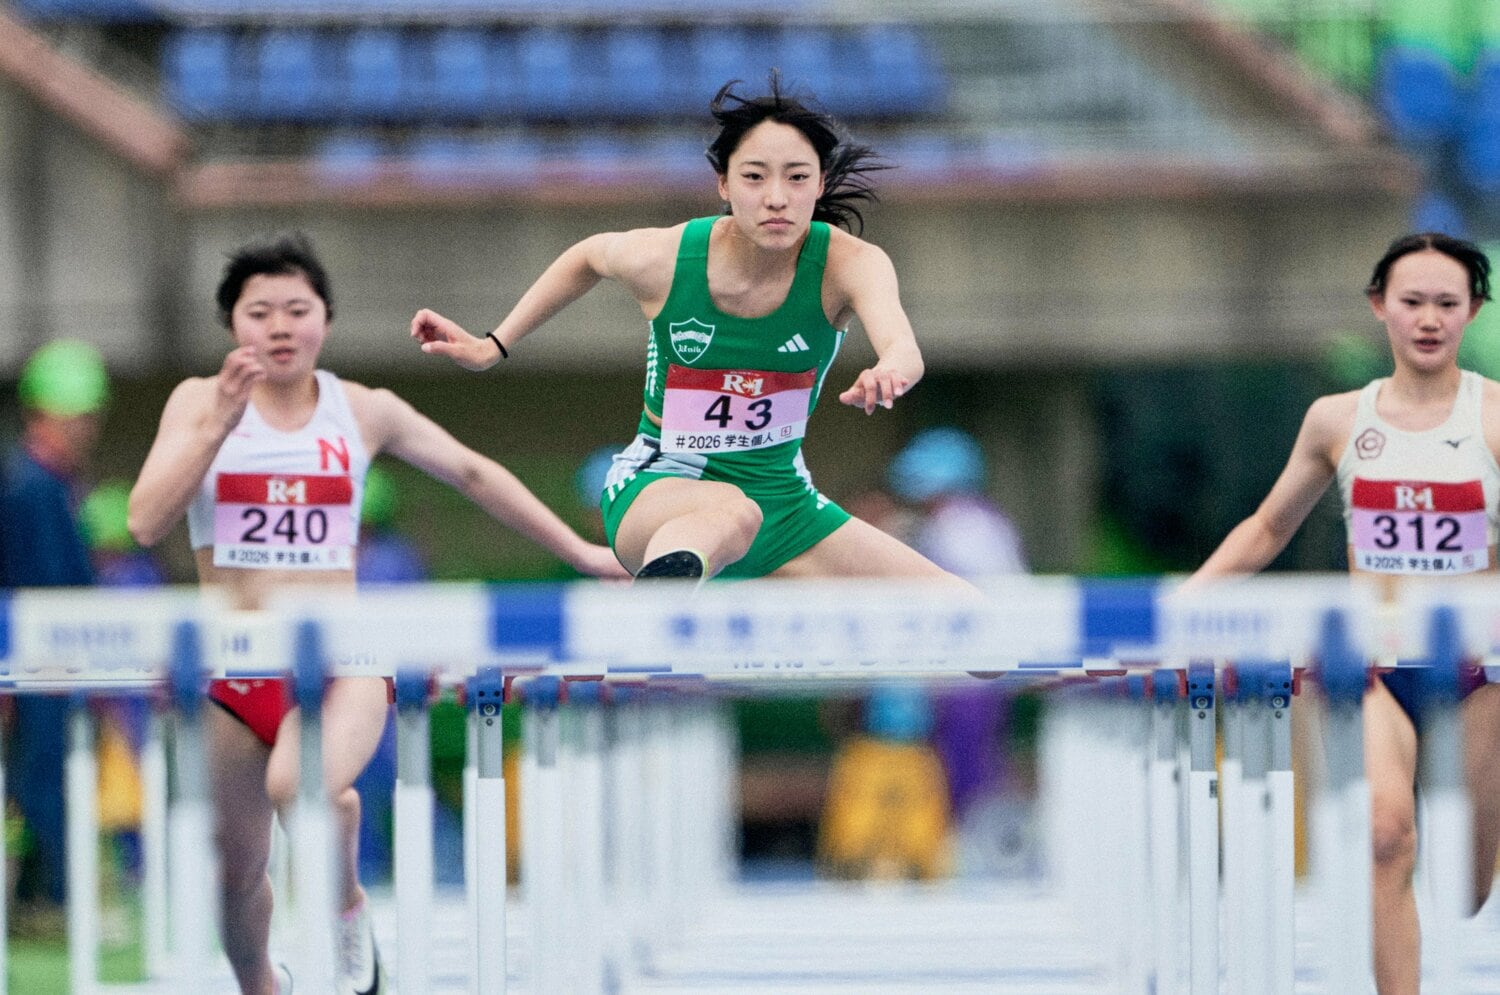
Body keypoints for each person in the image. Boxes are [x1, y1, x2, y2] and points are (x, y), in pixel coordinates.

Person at [128, 233, 625, 995]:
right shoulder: (198, 401)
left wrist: (583, 550)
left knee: (303, 785)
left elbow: (472, 472)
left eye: (299, 308)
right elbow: (144, 522)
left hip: (342, 657)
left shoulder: (362, 408)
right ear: (233, 325)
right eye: (260, 312)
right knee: (235, 868)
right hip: (235, 663)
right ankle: (263, 982)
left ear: (326, 318)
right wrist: (213, 428)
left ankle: (346, 904)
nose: (281, 326)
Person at [410, 73, 960, 586]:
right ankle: (659, 605)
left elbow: (903, 348)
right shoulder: (668, 258)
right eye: (754, 177)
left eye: (797, 178)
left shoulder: (850, 264)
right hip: (657, 493)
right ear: (723, 183)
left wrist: (889, 371)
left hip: (786, 506)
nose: (776, 198)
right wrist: (492, 345)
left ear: (818, 185)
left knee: (973, 625)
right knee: (730, 511)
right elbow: (588, 256)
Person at [1188, 232, 1497, 994]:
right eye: (1412, 301)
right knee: (1386, 836)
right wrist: (1183, 605)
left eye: (1447, 304)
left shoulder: (1494, 416)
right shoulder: (1335, 419)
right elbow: (1266, 528)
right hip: (1373, 660)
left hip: (1480, 669)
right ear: (1379, 307)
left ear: (1473, 311)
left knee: (1463, 887)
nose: (1429, 319)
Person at [0, 339, 110, 928]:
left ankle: (45, 898)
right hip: (34, 666)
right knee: (40, 783)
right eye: (78, 420)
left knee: (54, 779)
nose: (87, 432)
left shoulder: (51, 487)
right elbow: (43, 587)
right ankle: (44, 902)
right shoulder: (31, 489)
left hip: (52, 664)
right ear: (44, 416)